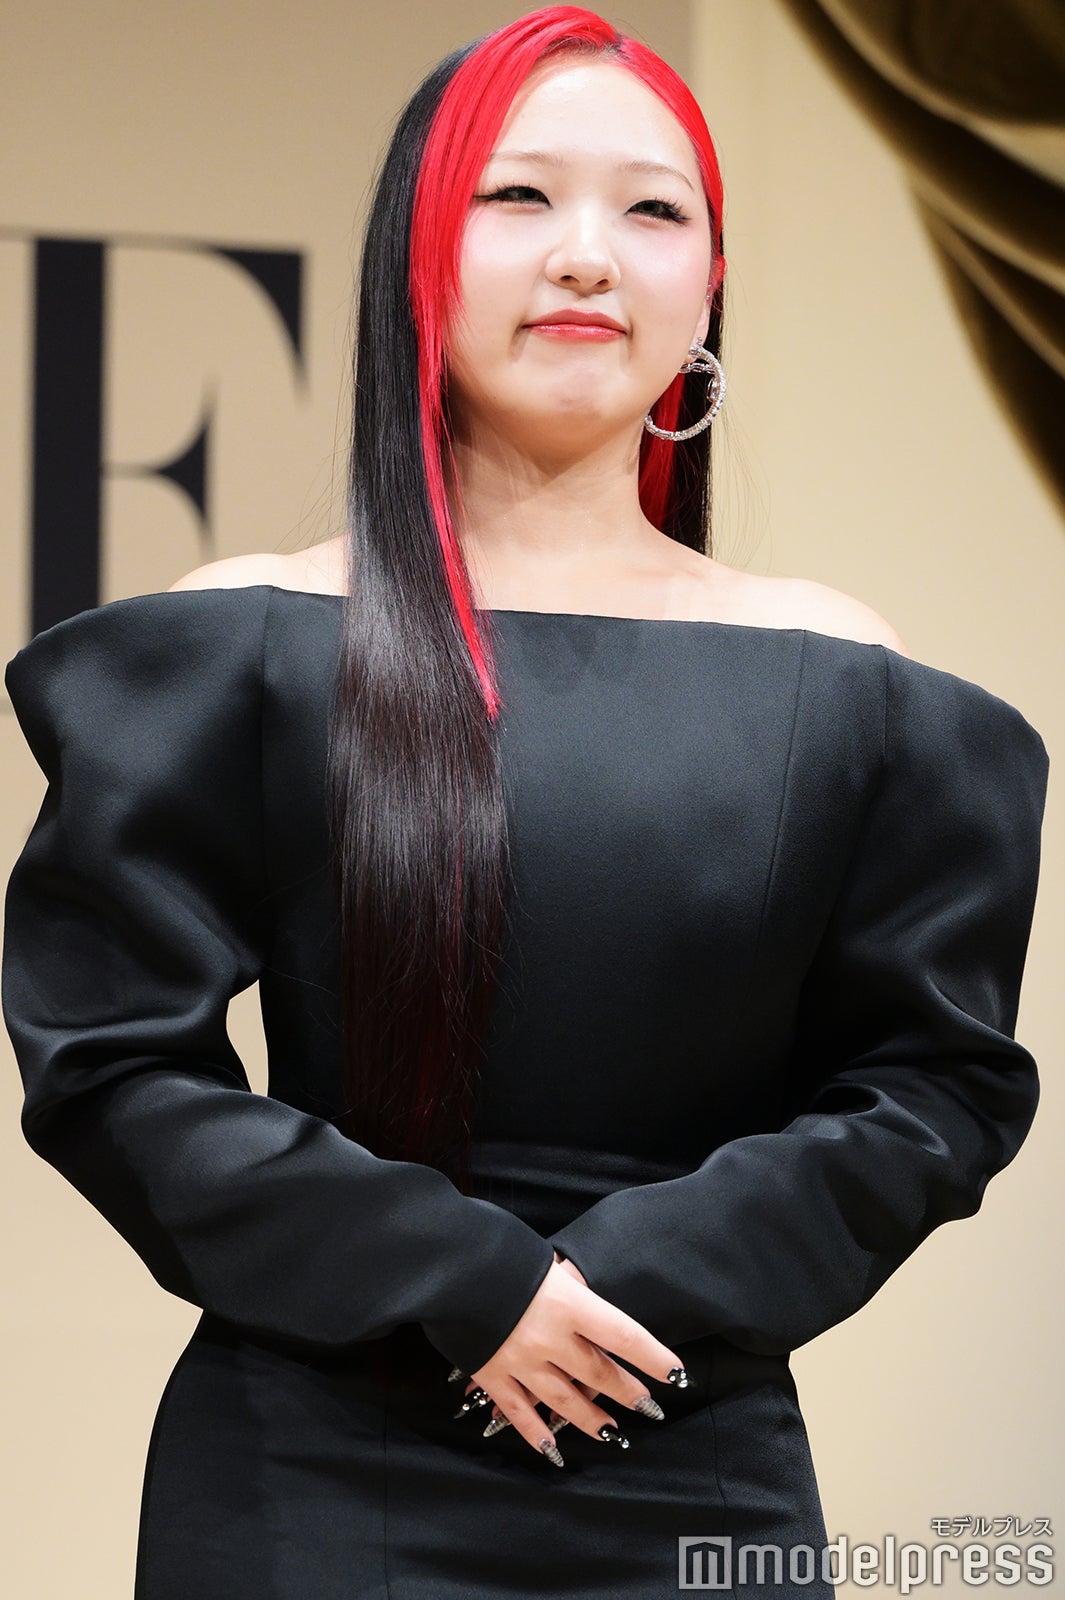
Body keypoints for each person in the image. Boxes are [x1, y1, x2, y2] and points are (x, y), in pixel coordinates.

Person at [1, 7, 1050, 1597]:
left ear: (709, 282)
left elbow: (932, 1085)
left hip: (683, 1444)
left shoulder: (847, 683)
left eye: (651, 210)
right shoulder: (243, 649)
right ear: (414, 255)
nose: (585, 256)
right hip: (310, 1471)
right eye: (517, 196)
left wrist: (624, 1289)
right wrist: (466, 1283)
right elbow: (113, 1059)